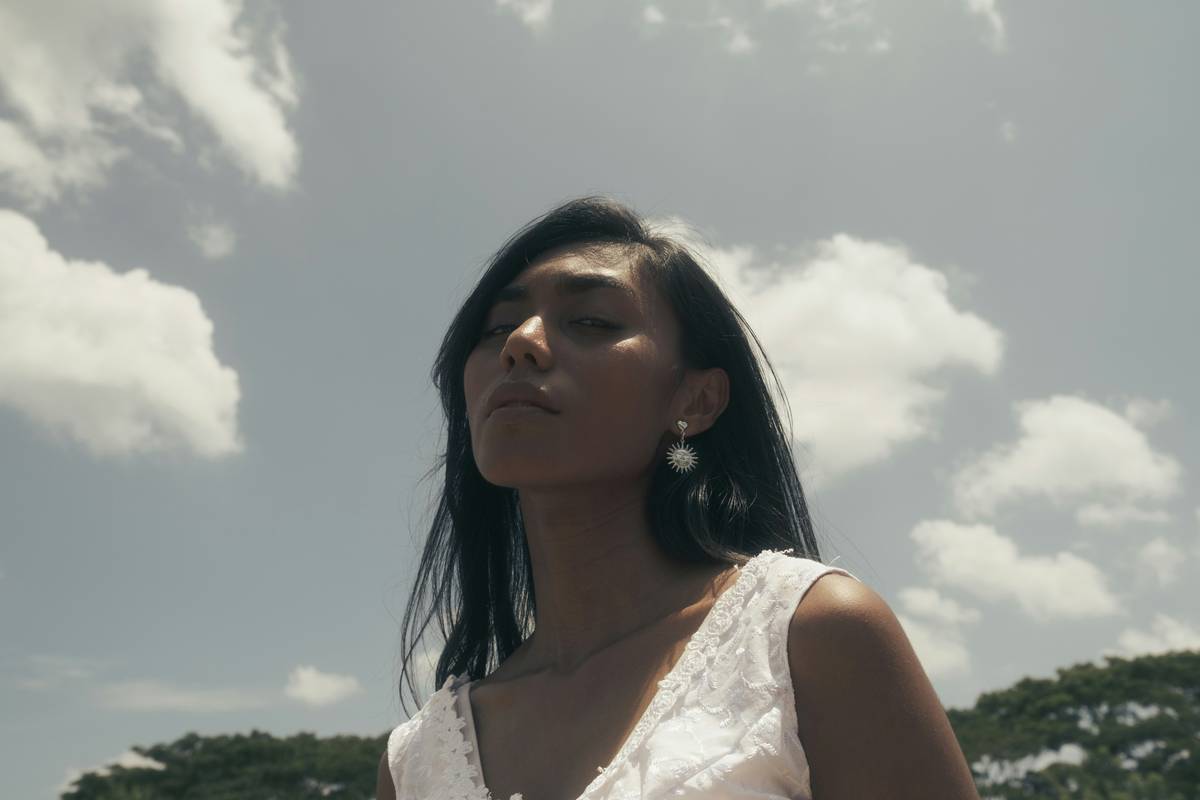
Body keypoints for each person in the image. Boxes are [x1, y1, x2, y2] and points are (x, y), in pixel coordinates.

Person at [377, 195, 981, 799]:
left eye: (591, 322)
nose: (522, 343)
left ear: (696, 401)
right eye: (496, 328)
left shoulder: (810, 638)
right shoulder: (415, 762)